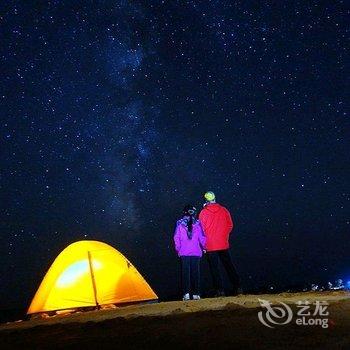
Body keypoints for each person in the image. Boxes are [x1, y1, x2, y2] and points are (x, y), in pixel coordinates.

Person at [199, 191, 240, 297]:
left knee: (215, 269)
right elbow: (230, 225)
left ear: (206, 200)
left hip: (210, 245)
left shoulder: (203, 213)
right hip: (223, 243)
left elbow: (201, 230)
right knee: (229, 266)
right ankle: (238, 287)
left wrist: (203, 245)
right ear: (215, 198)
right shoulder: (224, 210)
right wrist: (224, 236)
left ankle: (220, 290)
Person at [174, 205, 206, 301]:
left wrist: (178, 249)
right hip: (196, 251)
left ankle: (186, 294)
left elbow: (176, 237)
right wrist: (204, 247)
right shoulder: (198, 223)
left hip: (184, 252)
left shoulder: (179, 223)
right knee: (195, 273)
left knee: (185, 274)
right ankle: (196, 294)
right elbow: (202, 237)